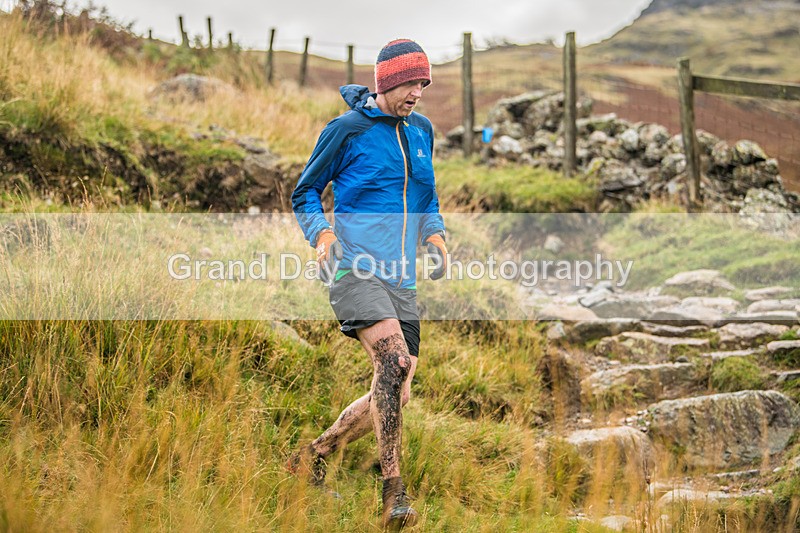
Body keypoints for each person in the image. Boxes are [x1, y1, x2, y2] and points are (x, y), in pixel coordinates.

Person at [290, 38, 447, 529]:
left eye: (423, 83)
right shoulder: (347, 130)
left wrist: (436, 235)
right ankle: (394, 495)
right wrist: (323, 234)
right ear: (385, 83)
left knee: (396, 387)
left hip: (401, 275)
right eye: (408, 83)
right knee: (394, 362)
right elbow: (305, 191)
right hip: (351, 265)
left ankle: (313, 454)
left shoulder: (421, 131)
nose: (417, 93)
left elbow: (425, 195)